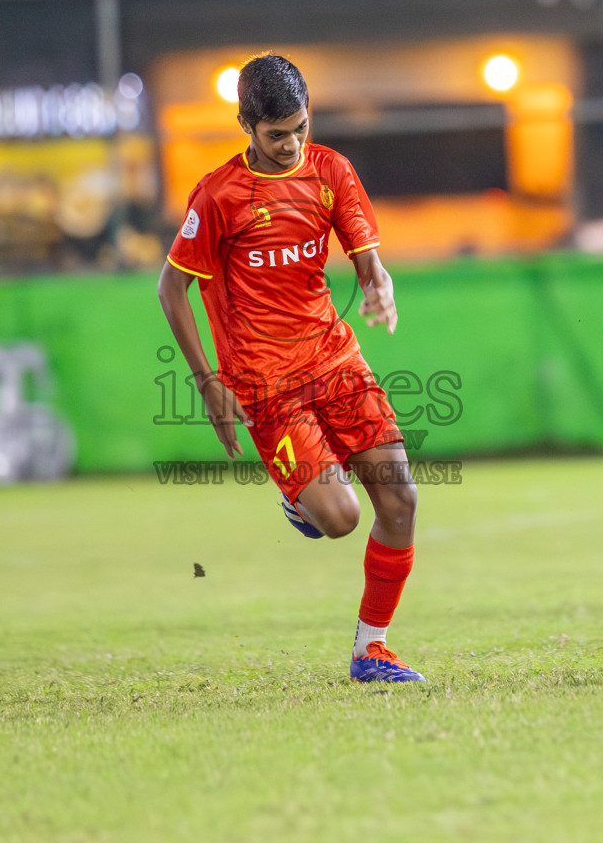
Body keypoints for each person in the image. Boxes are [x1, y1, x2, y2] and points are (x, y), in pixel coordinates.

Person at [157, 53, 424, 683]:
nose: (292, 144)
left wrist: (378, 283)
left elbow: (366, 257)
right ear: (246, 125)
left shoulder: (332, 170)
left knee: (401, 498)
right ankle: (303, 499)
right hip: (264, 382)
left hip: (334, 358)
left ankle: (372, 650)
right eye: (277, 134)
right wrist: (209, 383)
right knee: (341, 520)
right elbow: (171, 290)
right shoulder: (219, 195)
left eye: (300, 128)